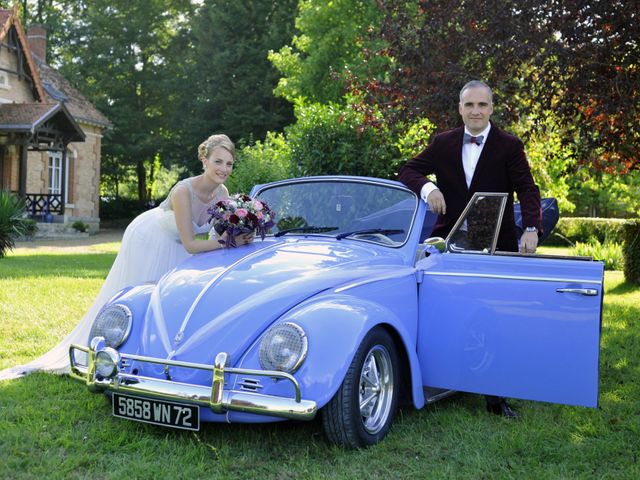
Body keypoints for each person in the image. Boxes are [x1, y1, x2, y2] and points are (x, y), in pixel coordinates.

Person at [0, 134, 252, 381]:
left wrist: (244, 231)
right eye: (218, 161)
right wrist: (227, 241)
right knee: (138, 296)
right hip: (150, 238)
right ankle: (114, 349)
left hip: (179, 246)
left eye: (229, 163)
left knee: (171, 301)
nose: (223, 169)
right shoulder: (184, 191)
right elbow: (190, 243)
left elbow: (215, 232)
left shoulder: (222, 193)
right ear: (204, 160)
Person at [399, 80, 542, 417]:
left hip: (497, 245)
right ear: (460, 108)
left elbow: (528, 189)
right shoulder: (443, 142)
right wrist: (428, 188)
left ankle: (497, 397)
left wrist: (532, 228)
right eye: (469, 105)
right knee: (448, 313)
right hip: (449, 245)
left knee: (496, 319)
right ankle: (441, 379)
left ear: (492, 108)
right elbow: (408, 169)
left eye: (482, 105)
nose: (476, 111)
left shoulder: (509, 144)